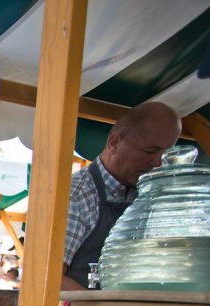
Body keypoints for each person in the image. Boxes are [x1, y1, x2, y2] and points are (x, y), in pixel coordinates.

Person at [62, 102, 181, 290]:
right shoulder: (77, 196)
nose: (158, 162)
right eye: (150, 151)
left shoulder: (148, 196)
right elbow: (48, 278)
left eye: (166, 153)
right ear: (114, 143)